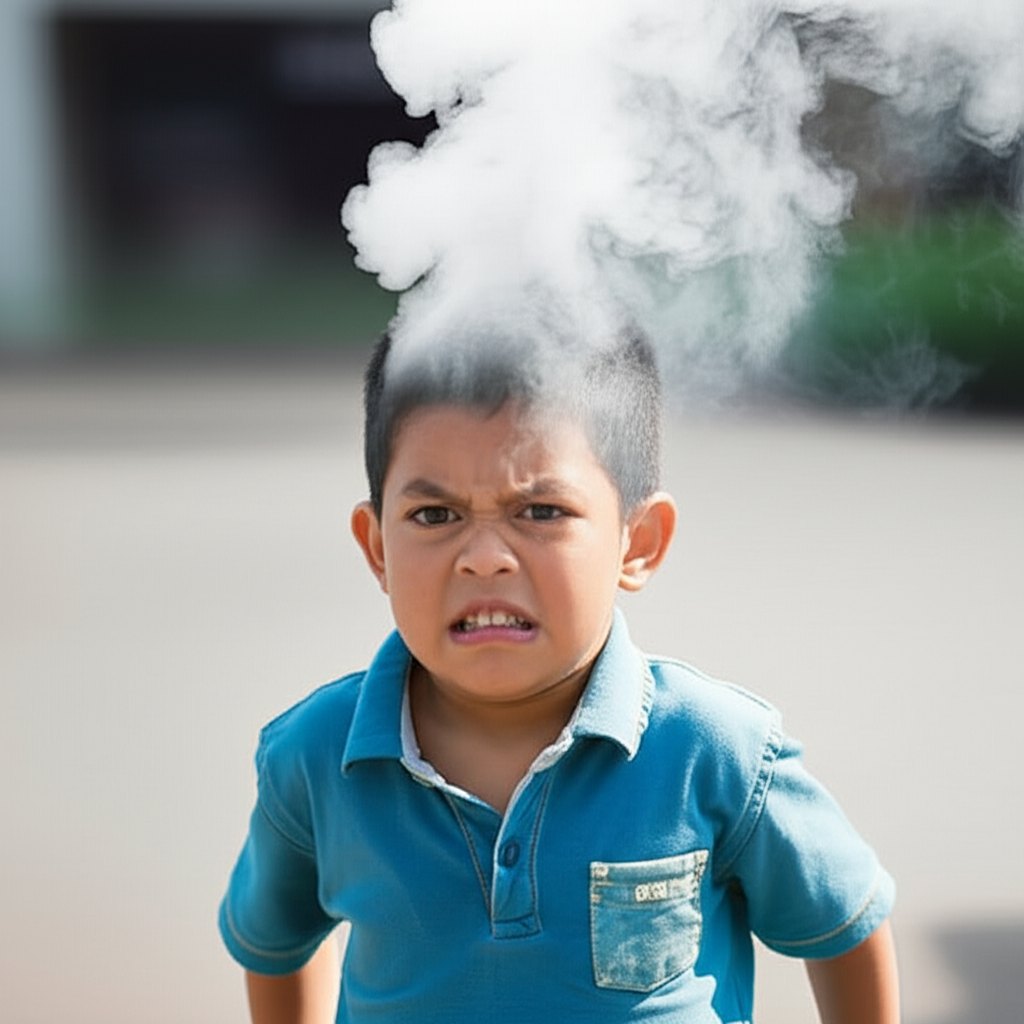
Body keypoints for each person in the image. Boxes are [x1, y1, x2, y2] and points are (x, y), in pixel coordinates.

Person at [219, 328, 899, 1024]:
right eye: (434, 514)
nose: (484, 558)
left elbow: (844, 927)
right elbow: (275, 943)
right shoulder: (313, 755)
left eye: (541, 512)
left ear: (638, 542)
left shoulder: (716, 749)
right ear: (377, 547)